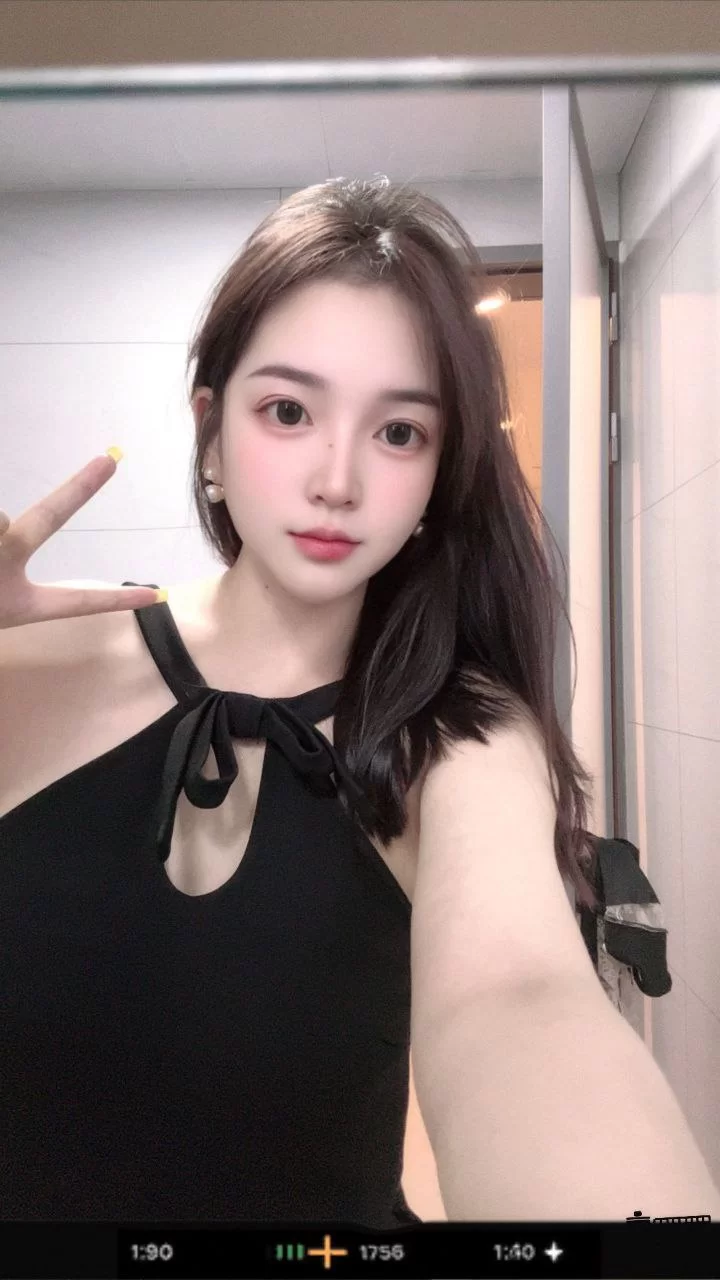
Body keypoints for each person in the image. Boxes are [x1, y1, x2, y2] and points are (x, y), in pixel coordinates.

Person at [0, 176, 600, 1226]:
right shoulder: (33, 666)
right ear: (211, 431)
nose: (337, 480)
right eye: (288, 411)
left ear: (439, 472)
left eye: (399, 432)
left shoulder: (460, 736)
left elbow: (526, 1000)